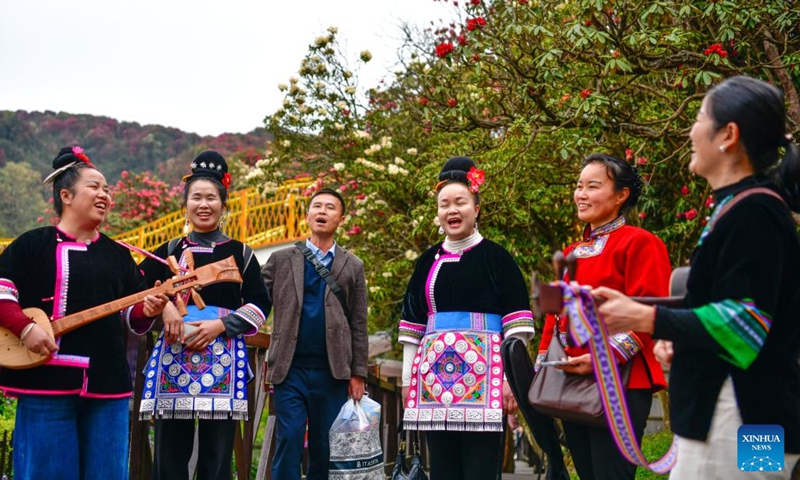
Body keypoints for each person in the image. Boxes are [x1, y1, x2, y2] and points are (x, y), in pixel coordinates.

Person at [593, 76, 800, 479]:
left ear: (728, 135)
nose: (691, 130)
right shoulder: (744, 207)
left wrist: (646, 319)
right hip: (752, 415)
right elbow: (732, 313)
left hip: (734, 419)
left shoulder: (753, 213)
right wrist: (682, 338)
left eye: (700, 118)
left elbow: (743, 324)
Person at [0, 146, 167, 480]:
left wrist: (149, 309)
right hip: (45, 383)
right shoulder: (33, 245)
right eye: (94, 186)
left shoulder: (119, 255)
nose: (104, 194)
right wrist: (25, 328)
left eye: (107, 189)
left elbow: (133, 315)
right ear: (66, 194)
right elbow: (2, 292)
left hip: (107, 387)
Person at [531, 153, 671, 480]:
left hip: (621, 380)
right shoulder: (570, 253)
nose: (581, 194)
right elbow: (556, 317)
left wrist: (599, 358)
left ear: (621, 195)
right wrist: (546, 362)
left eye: (592, 186)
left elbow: (651, 312)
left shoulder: (642, 243)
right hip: (570, 379)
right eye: (579, 186)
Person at [398, 156, 536, 480]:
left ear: (477, 208)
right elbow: (412, 327)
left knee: (481, 471)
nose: (452, 210)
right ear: (437, 213)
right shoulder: (426, 261)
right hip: (434, 384)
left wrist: (510, 382)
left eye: (460, 202)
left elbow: (516, 327)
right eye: (444, 204)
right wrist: (407, 382)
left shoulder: (497, 258)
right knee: (443, 470)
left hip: (486, 382)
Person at [137, 150, 272, 480]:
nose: (203, 204)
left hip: (223, 359)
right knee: (169, 451)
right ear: (185, 204)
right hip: (174, 354)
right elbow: (138, 292)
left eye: (211, 197)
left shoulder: (240, 253)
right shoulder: (168, 252)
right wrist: (166, 306)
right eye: (196, 197)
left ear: (223, 204)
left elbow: (259, 305)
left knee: (217, 454)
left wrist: (221, 326)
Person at [263, 187, 368, 480]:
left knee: (326, 445)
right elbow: (256, 301)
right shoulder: (282, 259)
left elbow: (359, 322)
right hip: (289, 367)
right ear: (307, 215)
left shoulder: (353, 265)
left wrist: (357, 372)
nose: (322, 212)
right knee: (290, 438)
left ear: (341, 218)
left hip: (332, 371)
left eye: (330, 207)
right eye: (317, 206)